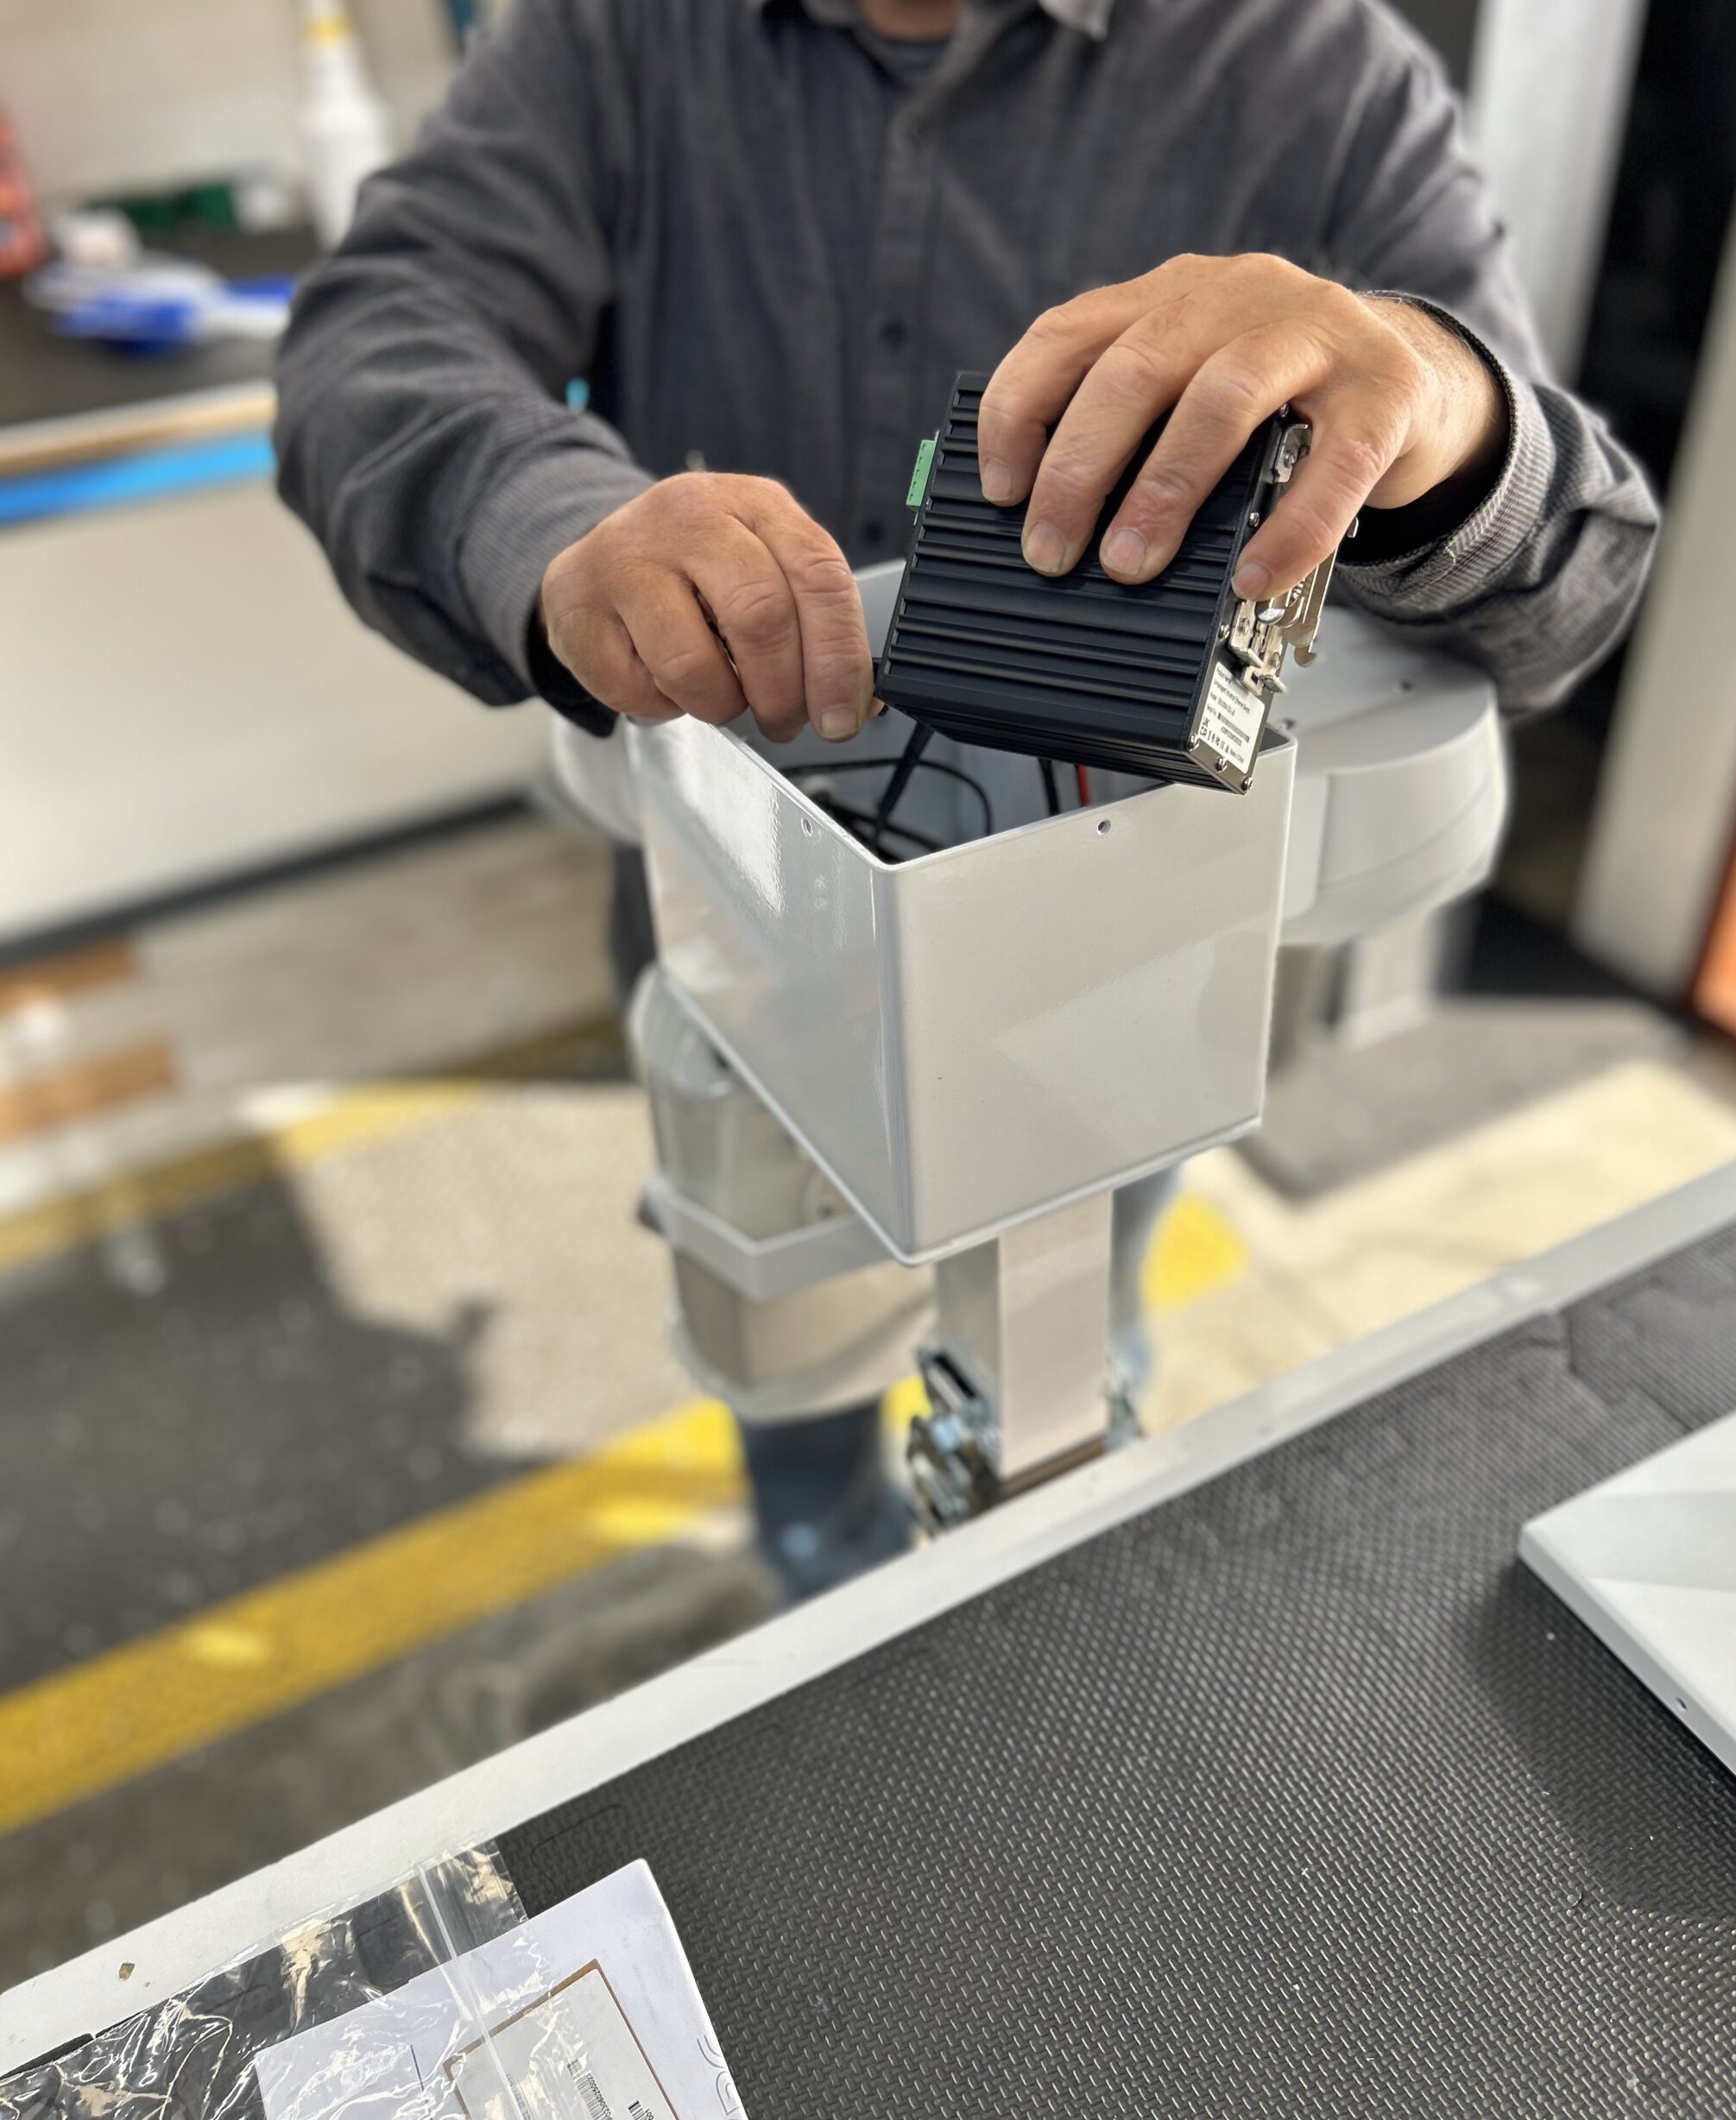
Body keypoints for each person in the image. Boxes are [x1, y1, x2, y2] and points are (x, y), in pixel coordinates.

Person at [276, 0, 1659, 1594]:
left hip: (1119, 999)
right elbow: (381, 322)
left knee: (1069, 1359)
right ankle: (818, 1556)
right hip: (750, 975)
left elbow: (1569, 593)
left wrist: (1445, 411)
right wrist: (556, 528)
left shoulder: (1317, 74)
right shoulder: (614, 37)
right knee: (790, 1384)